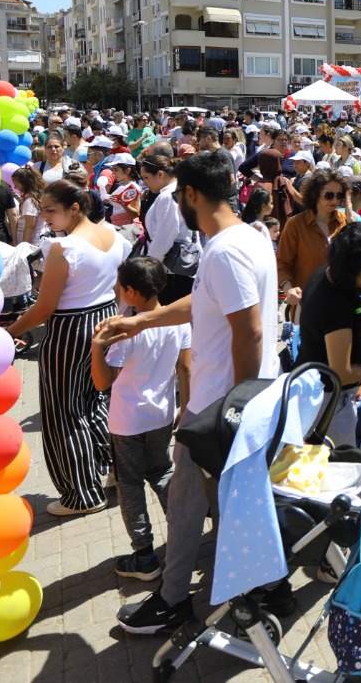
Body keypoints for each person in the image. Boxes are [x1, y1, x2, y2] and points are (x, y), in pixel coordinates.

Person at [105, 149, 281, 635]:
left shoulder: (225, 250)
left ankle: (174, 600)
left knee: (188, 505)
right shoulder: (248, 235)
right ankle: (256, 585)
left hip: (220, 408)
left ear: (191, 194)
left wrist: (235, 406)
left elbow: (248, 330)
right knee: (217, 503)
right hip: (238, 400)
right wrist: (141, 319)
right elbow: (205, 302)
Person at [3, 180, 130, 516]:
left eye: (50, 210)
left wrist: (10, 332)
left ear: (74, 208)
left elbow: (44, 309)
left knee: (64, 412)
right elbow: (119, 289)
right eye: (42, 209)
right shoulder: (114, 237)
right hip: (103, 320)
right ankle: (116, 468)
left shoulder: (64, 248)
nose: (45, 217)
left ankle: (82, 494)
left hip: (71, 329)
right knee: (97, 401)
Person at [90, 256, 192, 582]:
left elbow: (102, 382)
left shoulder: (125, 329)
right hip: (162, 415)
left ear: (131, 292)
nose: (118, 292)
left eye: (120, 287)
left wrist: (96, 347)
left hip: (127, 421)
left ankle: (145, 556)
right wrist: (185, 406)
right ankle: (183, 536)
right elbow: (186, 367)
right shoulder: (178, 320)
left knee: (130, 484)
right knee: (162, 472)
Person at [295, 224, 361, 447]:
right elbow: (343, 373)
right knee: (337, 469)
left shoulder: (324, 273)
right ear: (350, 266)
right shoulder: (336, 305)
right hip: (329, 405)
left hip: (314, 392)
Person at [276, 168, 350, 320]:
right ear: (315, 194)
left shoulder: (345, 221)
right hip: (307, 306)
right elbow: (282, 264)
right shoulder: (295, 224)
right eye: (329, 195)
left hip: (341, 303)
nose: (335, 201)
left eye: (339, 195)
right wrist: (289, 289)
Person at [140, 153, 198, 305]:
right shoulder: (179, 191)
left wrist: (149, 266)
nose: (145, 182)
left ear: (160, 174)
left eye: (146, 177)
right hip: (178, 266)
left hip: (170, 269)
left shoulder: (168, 196)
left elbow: (164, 237)